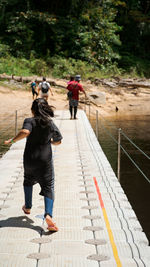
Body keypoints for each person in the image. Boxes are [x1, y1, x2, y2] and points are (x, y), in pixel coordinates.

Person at [4, 98, 62, 232]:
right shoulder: (50, 123)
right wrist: (50, 142)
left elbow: (25, 132)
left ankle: (28, 207)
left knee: (28, 180)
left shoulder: (29, 121)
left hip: (29, 159)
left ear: (32, 110)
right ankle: (48, 215)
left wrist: (12, 140)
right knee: (48, 185)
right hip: (44, 160)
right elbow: (58, 141)